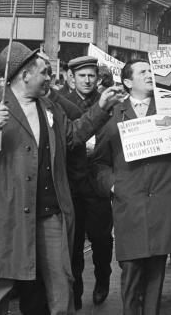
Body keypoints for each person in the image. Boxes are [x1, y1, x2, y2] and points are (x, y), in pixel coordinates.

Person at [0, 42, 124, 314]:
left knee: (61, 284)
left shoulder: (50, 107)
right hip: (6, 216)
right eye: (44, 72)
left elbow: (73, 136)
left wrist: (102, 107)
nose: (49, 78)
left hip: (50, 214)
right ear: (24, 75)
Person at [95, 59, 171, 315]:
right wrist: (114, 186)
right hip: (130, 205)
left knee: (156, 273)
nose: (149, 74)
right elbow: (99, 163)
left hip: (162, 204)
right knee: (132, 270)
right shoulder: (111, 114)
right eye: (143, 72)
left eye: (151, 71)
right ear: (127, 82)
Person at [60, 56, 114, 308]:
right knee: (73, 243)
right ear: (71, 77)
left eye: (92, 75)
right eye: (82, 75)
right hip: (71, 182)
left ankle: (103, 279)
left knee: (101, 239)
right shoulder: (60, 102)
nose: (87, 80)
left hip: (98, 181)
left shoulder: (108, 102)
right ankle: (76, 291)